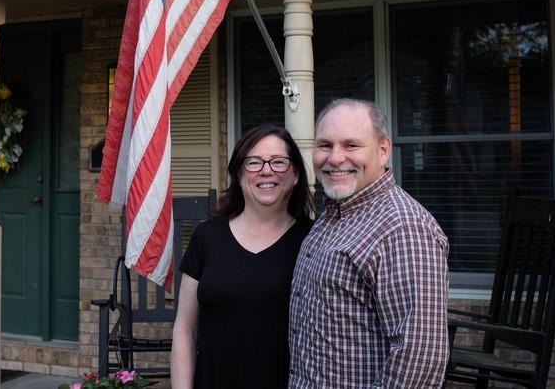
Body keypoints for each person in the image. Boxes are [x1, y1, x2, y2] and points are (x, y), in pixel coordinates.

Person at [289, 98, 449, 388]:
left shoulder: (402, 228)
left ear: (383, 150)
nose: (335, 158)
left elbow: (417, 360)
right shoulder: (333, 215)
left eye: (351, 145)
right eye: (325, 145)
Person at [171, 125, 315, 389]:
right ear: (238, 173)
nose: (266, 170)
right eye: (254, 162)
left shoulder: (313, 240)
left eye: (279, 162)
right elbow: (185, 331)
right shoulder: (207, 237)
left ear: (295, 174)